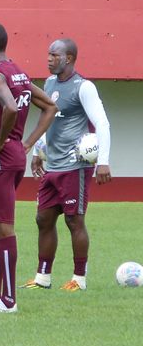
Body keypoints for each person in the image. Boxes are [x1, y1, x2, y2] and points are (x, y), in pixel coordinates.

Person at [0, 22, 56, 314]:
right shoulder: (19, 73)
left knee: (2, 226)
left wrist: (1, 142)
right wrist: (27, 142)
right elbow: (50, 107)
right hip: (12, 157)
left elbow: (11, 107)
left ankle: (8, 301)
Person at [23, 38, 112, 292]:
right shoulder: (49, 84)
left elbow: (102, 124)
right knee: (43, 219)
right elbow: (47, 119)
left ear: (69, 58)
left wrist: (103, 162)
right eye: (48, 54)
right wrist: (39, 150)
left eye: (55, 55)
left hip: (75, 166)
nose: (49, 59)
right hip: (53, 166)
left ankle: (79, 279)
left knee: (74, 221)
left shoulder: (84, 87)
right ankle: (42, 277)